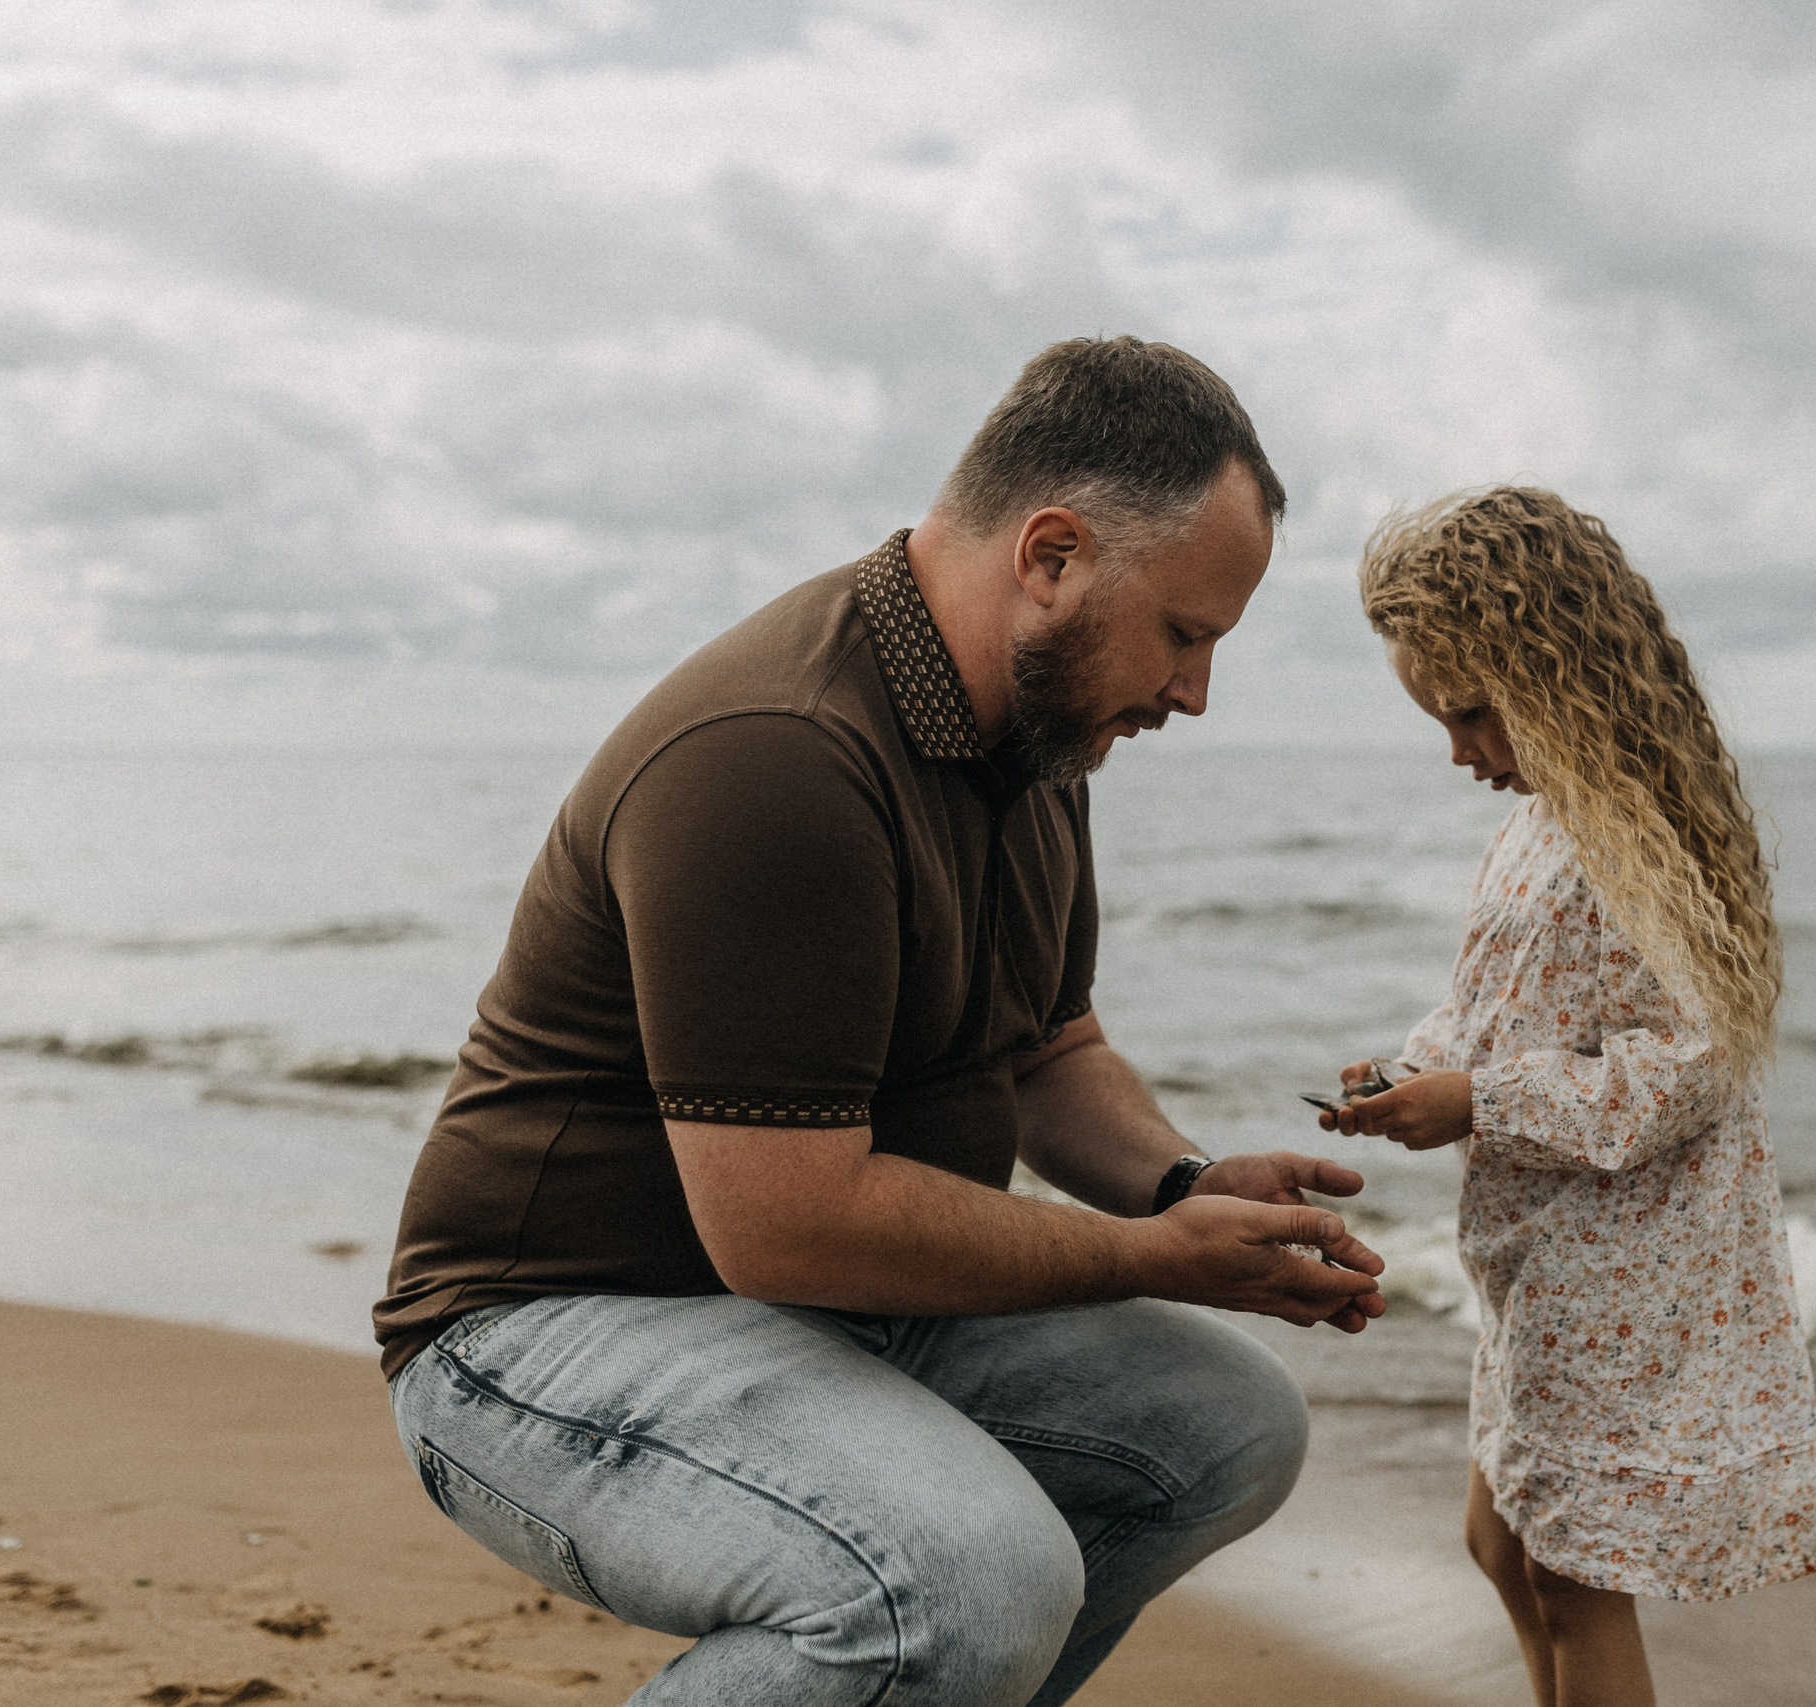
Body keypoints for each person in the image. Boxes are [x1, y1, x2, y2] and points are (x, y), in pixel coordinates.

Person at [374, 336, 1388, 1707]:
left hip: (822, 1302)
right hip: (537, 1330)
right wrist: (1147, 1253)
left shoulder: (1039, 733)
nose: (1194, 692)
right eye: (1186, 632)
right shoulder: (778, 752)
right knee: (967, 1577)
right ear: (1051, 557)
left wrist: (1182, 1183)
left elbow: (1051, 1048)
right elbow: (786, 1217)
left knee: (1224, 1426)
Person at [1317, 487, 1816, 1707]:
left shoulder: (1649, 835)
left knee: (1570, 1579)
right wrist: (1413, 1074)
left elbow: (1691, 1068)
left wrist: (1481, 1103)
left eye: (1472, 714)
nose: (1458, 752)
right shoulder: (1540, 825)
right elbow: (1496, 1009)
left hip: (1631, 1280)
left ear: (1558, 674)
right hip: (1539, 1277)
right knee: (1499, 1543)